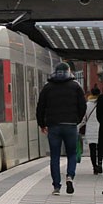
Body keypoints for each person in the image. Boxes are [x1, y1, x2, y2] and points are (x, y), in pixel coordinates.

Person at [36, 61, 86, 195]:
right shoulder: (76, 86)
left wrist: (42, 123)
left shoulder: (48, 87)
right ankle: (70, 176)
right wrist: (77, 120)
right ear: (69, 71)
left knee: (55, 156)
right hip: (70, 126)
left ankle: (56, 187)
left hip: (54, 126)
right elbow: (83, 106)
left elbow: (40, 107)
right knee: (71, 154)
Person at [81, 87, 101, 175]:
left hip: (90, 130)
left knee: (92, 150)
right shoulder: (102, 104)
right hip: (101, 129)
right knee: (101, 149)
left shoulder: (87, 105)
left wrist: (77, 127)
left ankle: (94, 167)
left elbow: (83, 119)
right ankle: (100, 163)